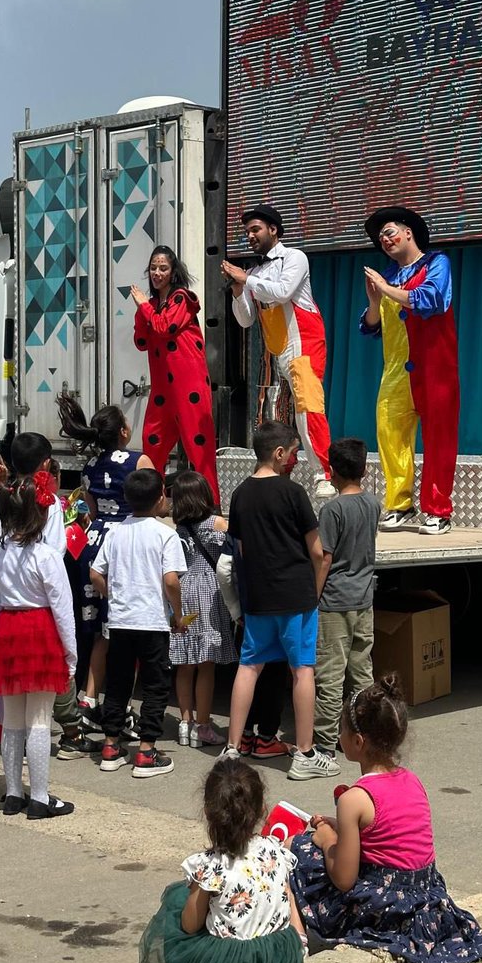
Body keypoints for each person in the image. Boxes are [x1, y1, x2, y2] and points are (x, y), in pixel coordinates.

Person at [290, 676, 482, 963]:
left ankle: (296, 937)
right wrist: (338, 825)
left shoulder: (354, 799)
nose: (338, 734)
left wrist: (325, 838)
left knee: (297, 849)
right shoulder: (412, 781)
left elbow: (344, 879)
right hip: (426, 901)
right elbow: (387, 835)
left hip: (387, 908)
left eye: (342, 729)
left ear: (358, 742)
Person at [219, 421, 337, 781]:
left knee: (249, 667)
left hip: (258, 598)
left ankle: (232, 748)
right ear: (279, 452)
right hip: (295, 596)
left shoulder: (240, 494)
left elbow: (239, 550)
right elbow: (317, 552)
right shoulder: (293, 493)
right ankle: (304, 753)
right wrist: (314, 594)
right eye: (295, 451)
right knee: (302, 670)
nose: (297, 460)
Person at [138, 758, 305, 963]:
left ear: (208, 812)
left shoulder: (211, 866)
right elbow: (288, 896)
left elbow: (190, 925)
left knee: (177, 908)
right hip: (280, 955)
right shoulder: (276, 849)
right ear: (263, 810)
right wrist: (297, 941)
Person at [223, 204, 334, 497]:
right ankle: (283, 471)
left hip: (303, 344)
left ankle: (324, 473)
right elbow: (245, 319)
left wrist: (247, 280)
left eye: (255, 229)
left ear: (273, 229)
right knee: (276, 415)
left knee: (307, 409)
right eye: (247, 231)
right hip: (277, 350)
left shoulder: (293, 258)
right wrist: (237, 291)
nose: (250, 235)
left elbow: (283, 292)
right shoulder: (255, 271)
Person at [56, 395, 153, 730]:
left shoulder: (90, 467)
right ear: (124, 432)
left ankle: (88, 698)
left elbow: (92, 512)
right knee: (128, 629)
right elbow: (154, 504)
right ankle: (119, 706)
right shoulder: (141, 461)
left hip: (94, 542)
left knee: (100, 631)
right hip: (127, 543)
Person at [362, 206, 460, 535]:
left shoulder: (437, 263)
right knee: (390, 434)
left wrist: (386, 289)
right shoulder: (387, 276)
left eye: (390, 232)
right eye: (380, 238)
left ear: (408, 232)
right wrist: (375, 301)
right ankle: (400, 504)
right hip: (395, 372)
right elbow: (372, 327)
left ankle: (438, 509)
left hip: (435, 368)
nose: (385, 240)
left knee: (438, 439)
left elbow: (431, 299)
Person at [0, 473, 77, 819]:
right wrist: (71, 655)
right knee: (40, 718)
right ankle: (39, 797)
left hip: (9, 629)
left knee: (12, 719)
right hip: (40, 630)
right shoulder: (46, 556)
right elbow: (63, 609)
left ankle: (12, 794)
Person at [90, 468, 187, 778]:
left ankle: (110, 745)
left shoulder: (115, 531)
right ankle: (146, 751)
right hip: (152, 622)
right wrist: (178, 614)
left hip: (120, 620)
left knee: (118, 684)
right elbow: (171, 580)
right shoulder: (165, 534)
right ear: (160, 497)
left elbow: (96, 574)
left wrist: (113, 595)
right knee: (155, 685)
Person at [131, 245, 219, 504]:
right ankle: (152, 500)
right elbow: (141, 341)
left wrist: (144, 307)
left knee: (197, 444)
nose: (157, 273)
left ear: (173, 271)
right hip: (162, 387)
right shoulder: (153, 304)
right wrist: (142, 310)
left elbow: (163, 326)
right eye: (154, 268)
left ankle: (210, 503)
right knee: (152, 442)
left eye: (163, 268)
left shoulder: (182, 298)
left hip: (187, 381)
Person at [313, 438, 380, 759]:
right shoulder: (373, 504)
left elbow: (324, 558)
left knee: (329, 675)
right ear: (364, 470)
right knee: (361, 671)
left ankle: (325, 743)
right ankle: (365, 732)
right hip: (364, 599)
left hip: (335, 601)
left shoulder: (332, 510)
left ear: (332, 472)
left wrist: (313, 596)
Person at [169, 471, 236, 749]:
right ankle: (204, 726)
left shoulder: (179, 530)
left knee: (185, 663)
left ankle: (185, 722)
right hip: (210, 591)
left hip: (184, 590)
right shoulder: (217, 523)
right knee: (206, 664)